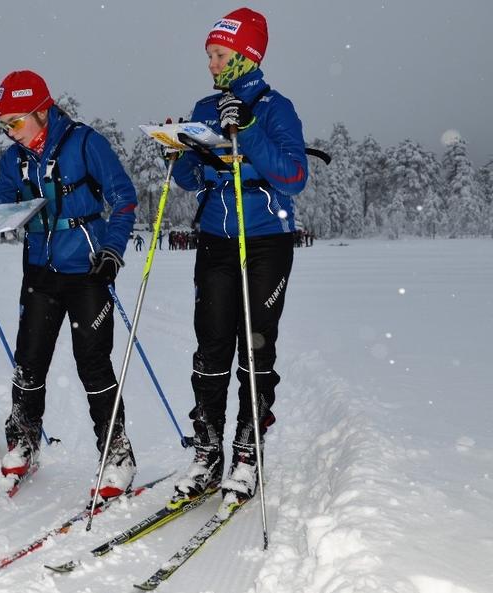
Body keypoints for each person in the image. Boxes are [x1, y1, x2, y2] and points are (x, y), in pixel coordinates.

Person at [0, 70, 139, 499]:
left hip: (88, 270)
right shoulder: (12, 160)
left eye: (15, 121)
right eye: (3, 125)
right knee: (29, 361)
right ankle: (25, 438)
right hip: (40, 272)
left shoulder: (86, 143)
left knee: (93, 362)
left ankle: (116, 453)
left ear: (41, 110)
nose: (10, 132)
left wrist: (112, 250)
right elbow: (2, 211)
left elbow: (123, 198)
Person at [168, 8, 308, 507]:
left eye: (220, 54)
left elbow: (294, 176)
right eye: (208, 54)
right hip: (216, 240)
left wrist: (247, 128)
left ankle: (247, 451)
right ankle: (207, 452)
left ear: (246, 55)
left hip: (266, 239)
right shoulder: (206, 105)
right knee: (210, 348)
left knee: (255, 348)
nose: (211, 63)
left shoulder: (275, 108)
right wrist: (180, 147)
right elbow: (187, 180)